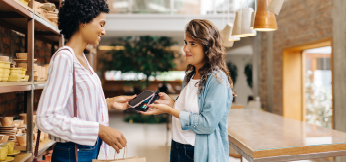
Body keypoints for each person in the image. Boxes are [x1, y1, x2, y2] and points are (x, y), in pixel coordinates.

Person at [36, 0, 135, 161]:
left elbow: (76, 102)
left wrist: (108, 103)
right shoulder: (65, 58)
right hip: (73, 152)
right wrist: (99, 130)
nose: (103, 31)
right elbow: (46, 119)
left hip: (87, 150)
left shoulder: (82, 58)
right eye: (101, 24)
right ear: (83, 21)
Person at [140, 19, 235, 162]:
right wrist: (171, 104)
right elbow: (188, 111)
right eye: (185, 42)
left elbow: (207, 124)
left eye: (193, 44)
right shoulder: (190, 76)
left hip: (196, 151)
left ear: (207, 46)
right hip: (178, 146)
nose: (185, 49)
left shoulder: (217, 79)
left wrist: (171, 111)